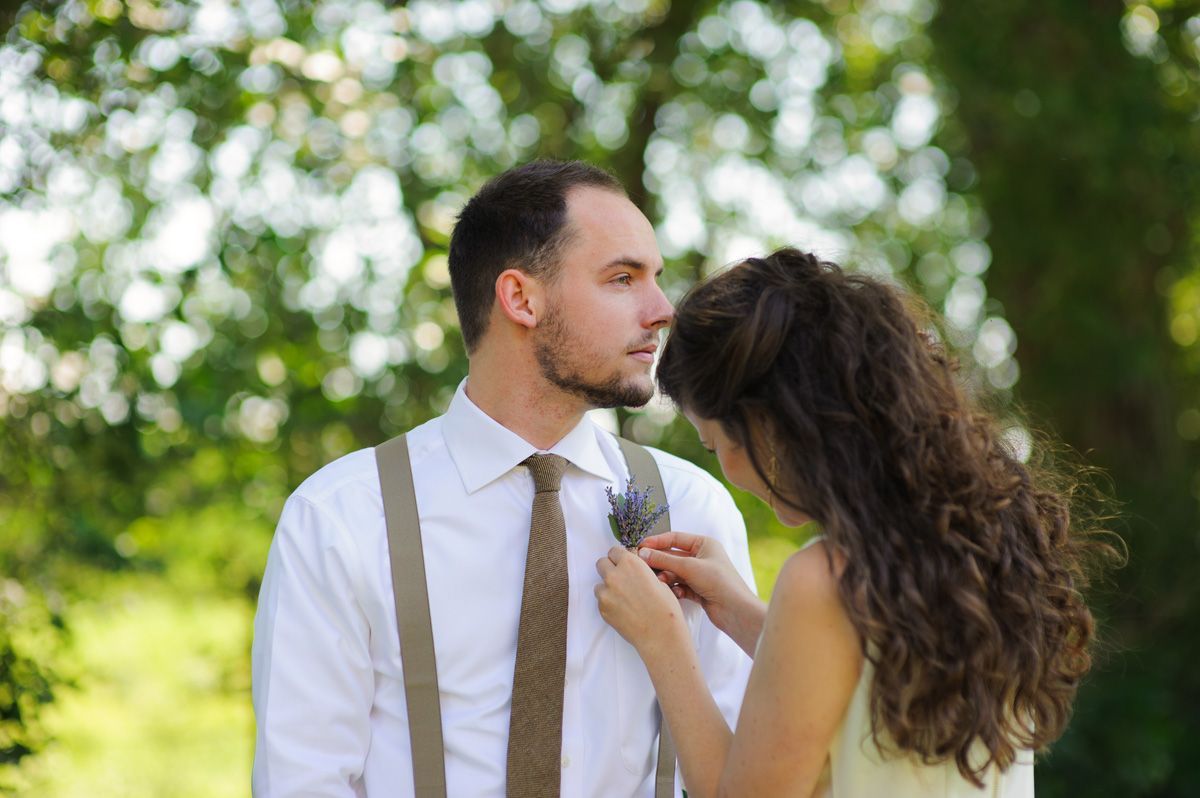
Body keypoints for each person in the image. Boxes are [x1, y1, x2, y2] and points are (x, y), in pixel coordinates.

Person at [250, 160, 756, 797]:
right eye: (622, 278)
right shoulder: (341, 517)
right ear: (521, 298)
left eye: (656, 279)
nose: (661, 310)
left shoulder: (692, 509)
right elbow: (302, 780)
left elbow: (745, 771)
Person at [595, 248, 1118, 797]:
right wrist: (741, 613)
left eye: (717, 443)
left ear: (766, 424)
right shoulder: (983, 546)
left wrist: (664, 642)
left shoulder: (825, 578)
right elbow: (860, 690)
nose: (726, 469)